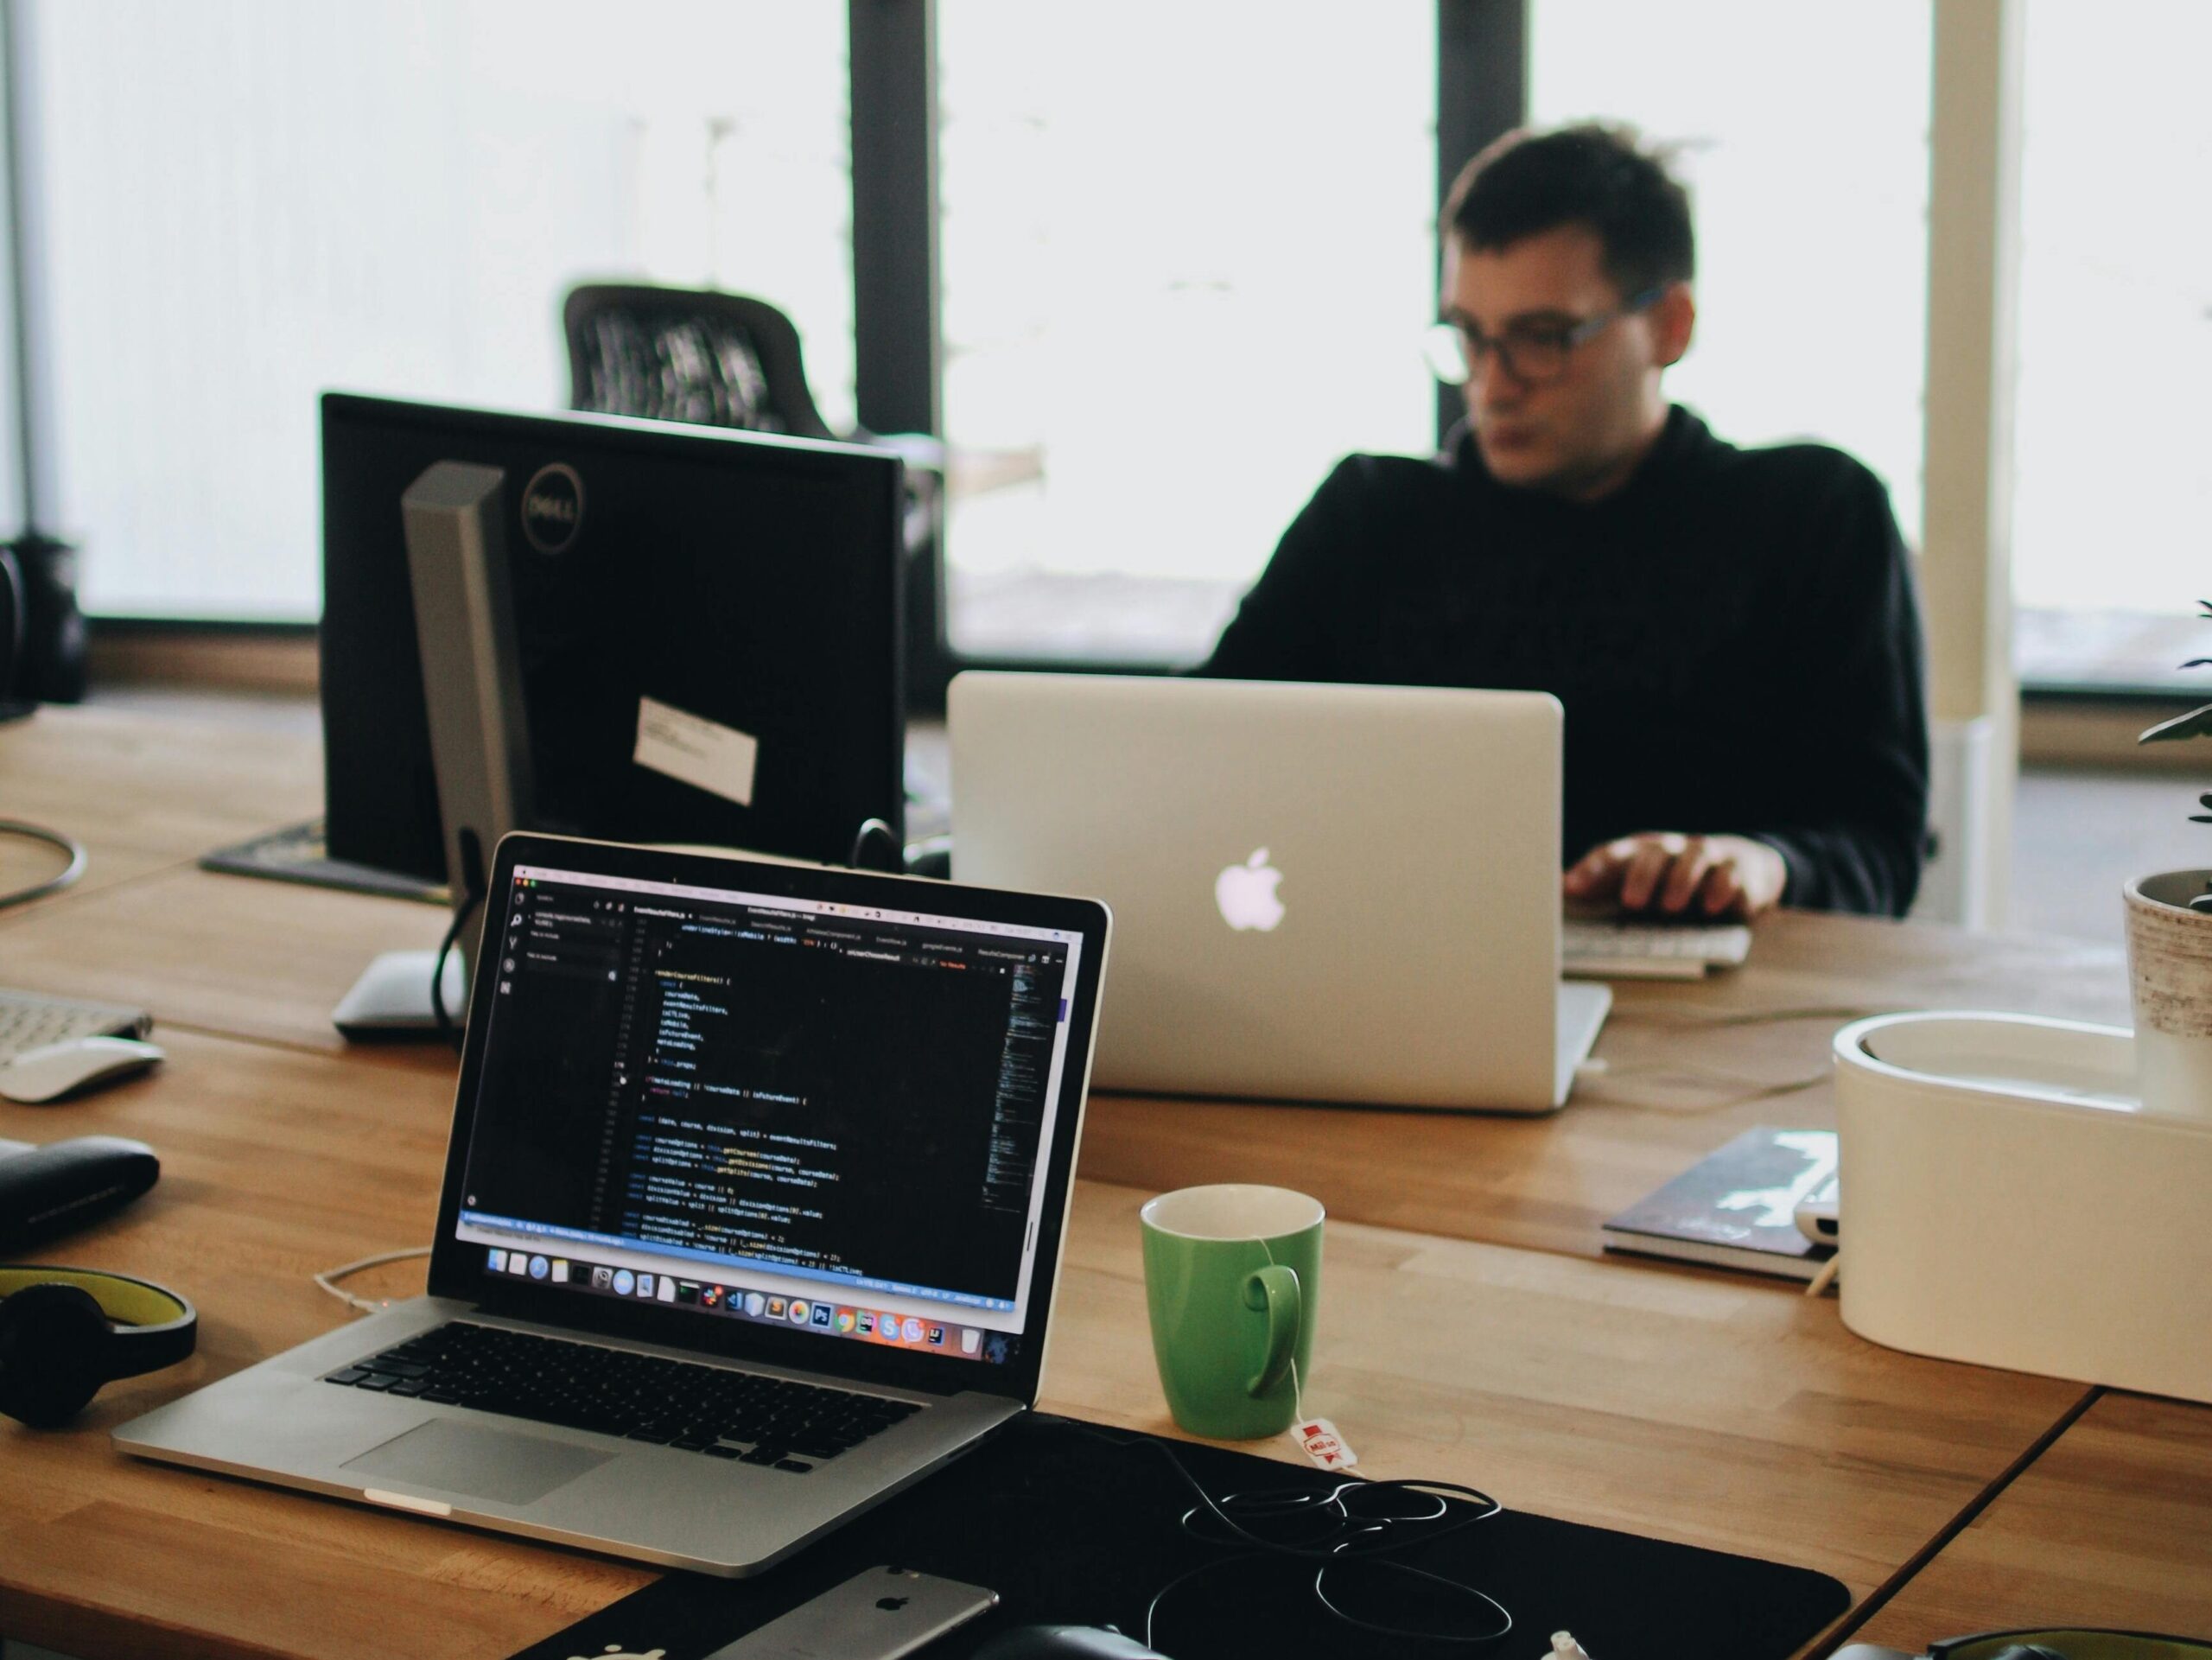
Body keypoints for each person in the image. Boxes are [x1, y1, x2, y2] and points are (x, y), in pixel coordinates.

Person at [1199, 124, 1929, 919]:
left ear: (1670, 326)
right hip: (1397, 983)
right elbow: (1196, 754)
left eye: (1542, 339)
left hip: (1714, 1011)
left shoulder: (1813, 516)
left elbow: (1879, 849)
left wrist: (1761, 863)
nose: (1493, 385)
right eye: (1471, 338)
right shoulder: (1369, 517)